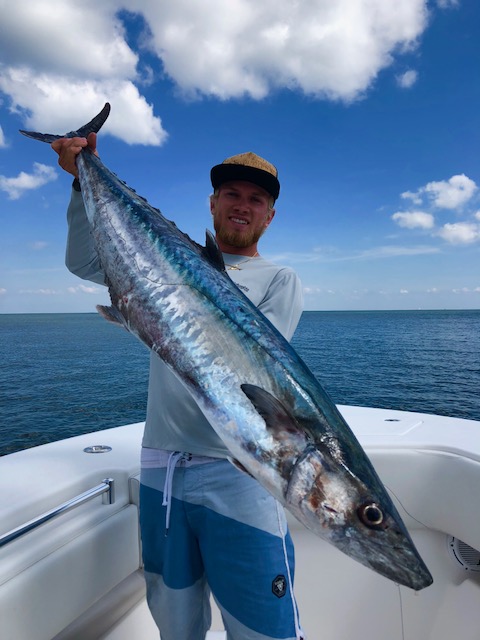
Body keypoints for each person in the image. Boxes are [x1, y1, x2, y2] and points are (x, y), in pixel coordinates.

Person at [52, 133, 305, 640]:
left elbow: (242, 367)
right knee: (174, 619)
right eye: (232, 194)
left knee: (264, 625)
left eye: (257, 199)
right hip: (160, 467)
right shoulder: (155, 258)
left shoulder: (279, 280)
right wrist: (84, 182)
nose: (242, 206)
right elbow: (83, 262)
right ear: (213, 203)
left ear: (270, 217)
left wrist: (145, 306)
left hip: (237, 474)